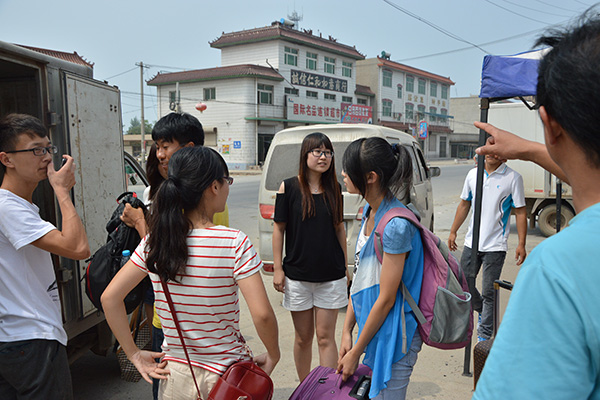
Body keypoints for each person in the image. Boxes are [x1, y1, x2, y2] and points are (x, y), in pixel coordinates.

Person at [473, 10, 600, 399]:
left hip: (497, 249)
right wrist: (530, 148)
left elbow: (521, 214)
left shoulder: (558, 270)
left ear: (549, 124)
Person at [102, 146, 280, 399]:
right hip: (229, 378)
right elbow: (262, 315)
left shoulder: (155, 242)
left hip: (176, 377)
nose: (228, 187)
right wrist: (273, 354)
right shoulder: (234, 242)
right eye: (226, 181)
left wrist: (133, 354)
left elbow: (110, 299)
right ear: (214, 187)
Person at [0, 113, 90, 399]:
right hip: (31, 338)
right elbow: (78, 248)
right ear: (7, 159)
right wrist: (62, 191)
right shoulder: (8, 208)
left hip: (18, 339)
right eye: (36, 149)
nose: (47, 158)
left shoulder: (19, 207)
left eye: (48, 148)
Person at [337, 137, 424, 400]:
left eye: (348, 169)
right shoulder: (369, 212)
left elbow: (386, 299)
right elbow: (362, 278)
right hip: (372, 330)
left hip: (395, 337)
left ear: (371, 177)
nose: (343, 174)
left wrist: (355, 351)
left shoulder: (396, 225)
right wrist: (346, 330)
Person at [272, 132, 348, 381]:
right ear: (305, 155)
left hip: (330, 275)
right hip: (298, 276)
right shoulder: (289, 187)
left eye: (327, 152)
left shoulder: (334, 188)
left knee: (326, 337)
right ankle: (306, 387)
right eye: (317, 151)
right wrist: (278, 269)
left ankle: (326, 389)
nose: (323, 156)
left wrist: (345, 266)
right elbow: (279, 228)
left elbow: (339, 227)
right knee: (303, 337)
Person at [447, 154, 527, 342]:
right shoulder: (473, 175)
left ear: (504, 157)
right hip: (471, 243)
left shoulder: (513, 178)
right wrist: (453, 231)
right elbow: (464, 204)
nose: (491, 154)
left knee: (489, 291)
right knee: (463, 283)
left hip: (496, 245)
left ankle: (484, 335)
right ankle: (481, 308)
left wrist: (521, 244)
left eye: (496, 150)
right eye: (487, 149)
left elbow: (521, 211)